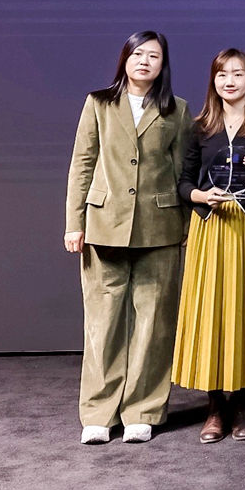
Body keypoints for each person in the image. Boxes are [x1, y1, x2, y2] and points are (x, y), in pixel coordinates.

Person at [64, 30, 192, 445]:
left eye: (153, 55)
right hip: (104, 225)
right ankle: (99, 413)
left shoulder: (177, 109)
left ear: (163, 64)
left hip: (160, 228)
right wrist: (74, 222)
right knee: (103, 324)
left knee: (153, 324)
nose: (144, 61)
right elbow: (82, 163)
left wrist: (186, 226)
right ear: (125, 58)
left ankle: (143, 410)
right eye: (138, 53)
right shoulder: (99, 103)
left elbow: (182, 173)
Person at [172, 49, 245, 443]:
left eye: (238, 74)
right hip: (210, 225)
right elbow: (184, 183)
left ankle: (240, 404)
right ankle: (213, 407)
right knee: (209, 313)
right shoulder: (199, 127)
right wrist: (202, 197)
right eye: (222, 74)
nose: (230, 81)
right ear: (214, 81)